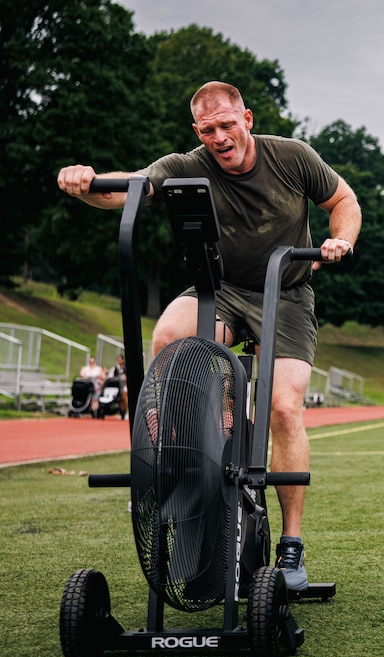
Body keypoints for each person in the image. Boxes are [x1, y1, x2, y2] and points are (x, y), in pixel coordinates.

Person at [57, 81, 361, 590]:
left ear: (247, 118)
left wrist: (340, 240)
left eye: (227, 124)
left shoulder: (292, 156)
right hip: (219, 288)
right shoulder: (185, 164)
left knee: (282, 407)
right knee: (169, 336)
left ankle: (290, 548)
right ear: (197, 131)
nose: (220, 137)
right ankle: (198, 448)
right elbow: (126, 191)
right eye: (208, 129)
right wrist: (84, 181)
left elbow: (343, 198)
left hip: (285, 290)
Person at [109, 354, 128, 420]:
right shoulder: (115, 368)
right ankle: (121, 412)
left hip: (125, 385)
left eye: (120, 359)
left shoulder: (125, 368)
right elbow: (112, 377)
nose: (119, 361)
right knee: (119, 399)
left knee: (123, 398)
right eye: (118, 360)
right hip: (118, 386)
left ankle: (124, 412)